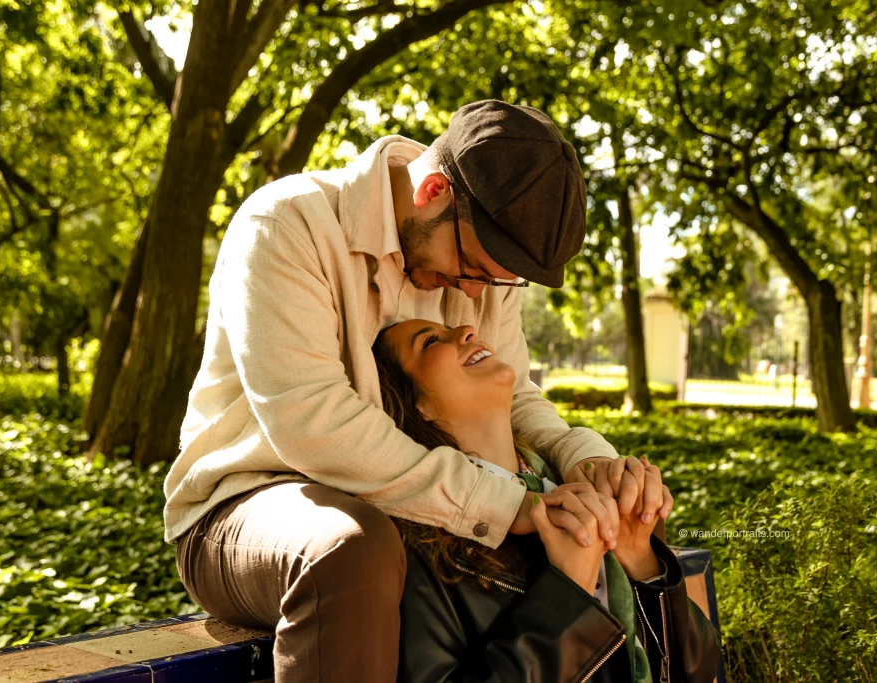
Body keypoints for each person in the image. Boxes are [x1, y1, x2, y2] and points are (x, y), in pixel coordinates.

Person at [165, 100, 669, 682]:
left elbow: (517, 397)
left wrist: (587, 462)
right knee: (350, 548)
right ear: (433, 190)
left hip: (398, 504)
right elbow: (311, 423)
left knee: (620, 517)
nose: (475, 295)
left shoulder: (481, 257)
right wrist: (513, 505)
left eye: (496, 281)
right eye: (473, 269)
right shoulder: (287, 224)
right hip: (244, 507)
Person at [371, 318, 722, 683]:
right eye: (430, 342)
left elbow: (696, 671)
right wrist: (568, 592)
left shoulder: (569, 485)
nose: (466, 330)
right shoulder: (423, 552)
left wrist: (641, 558)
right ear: (414, 407)